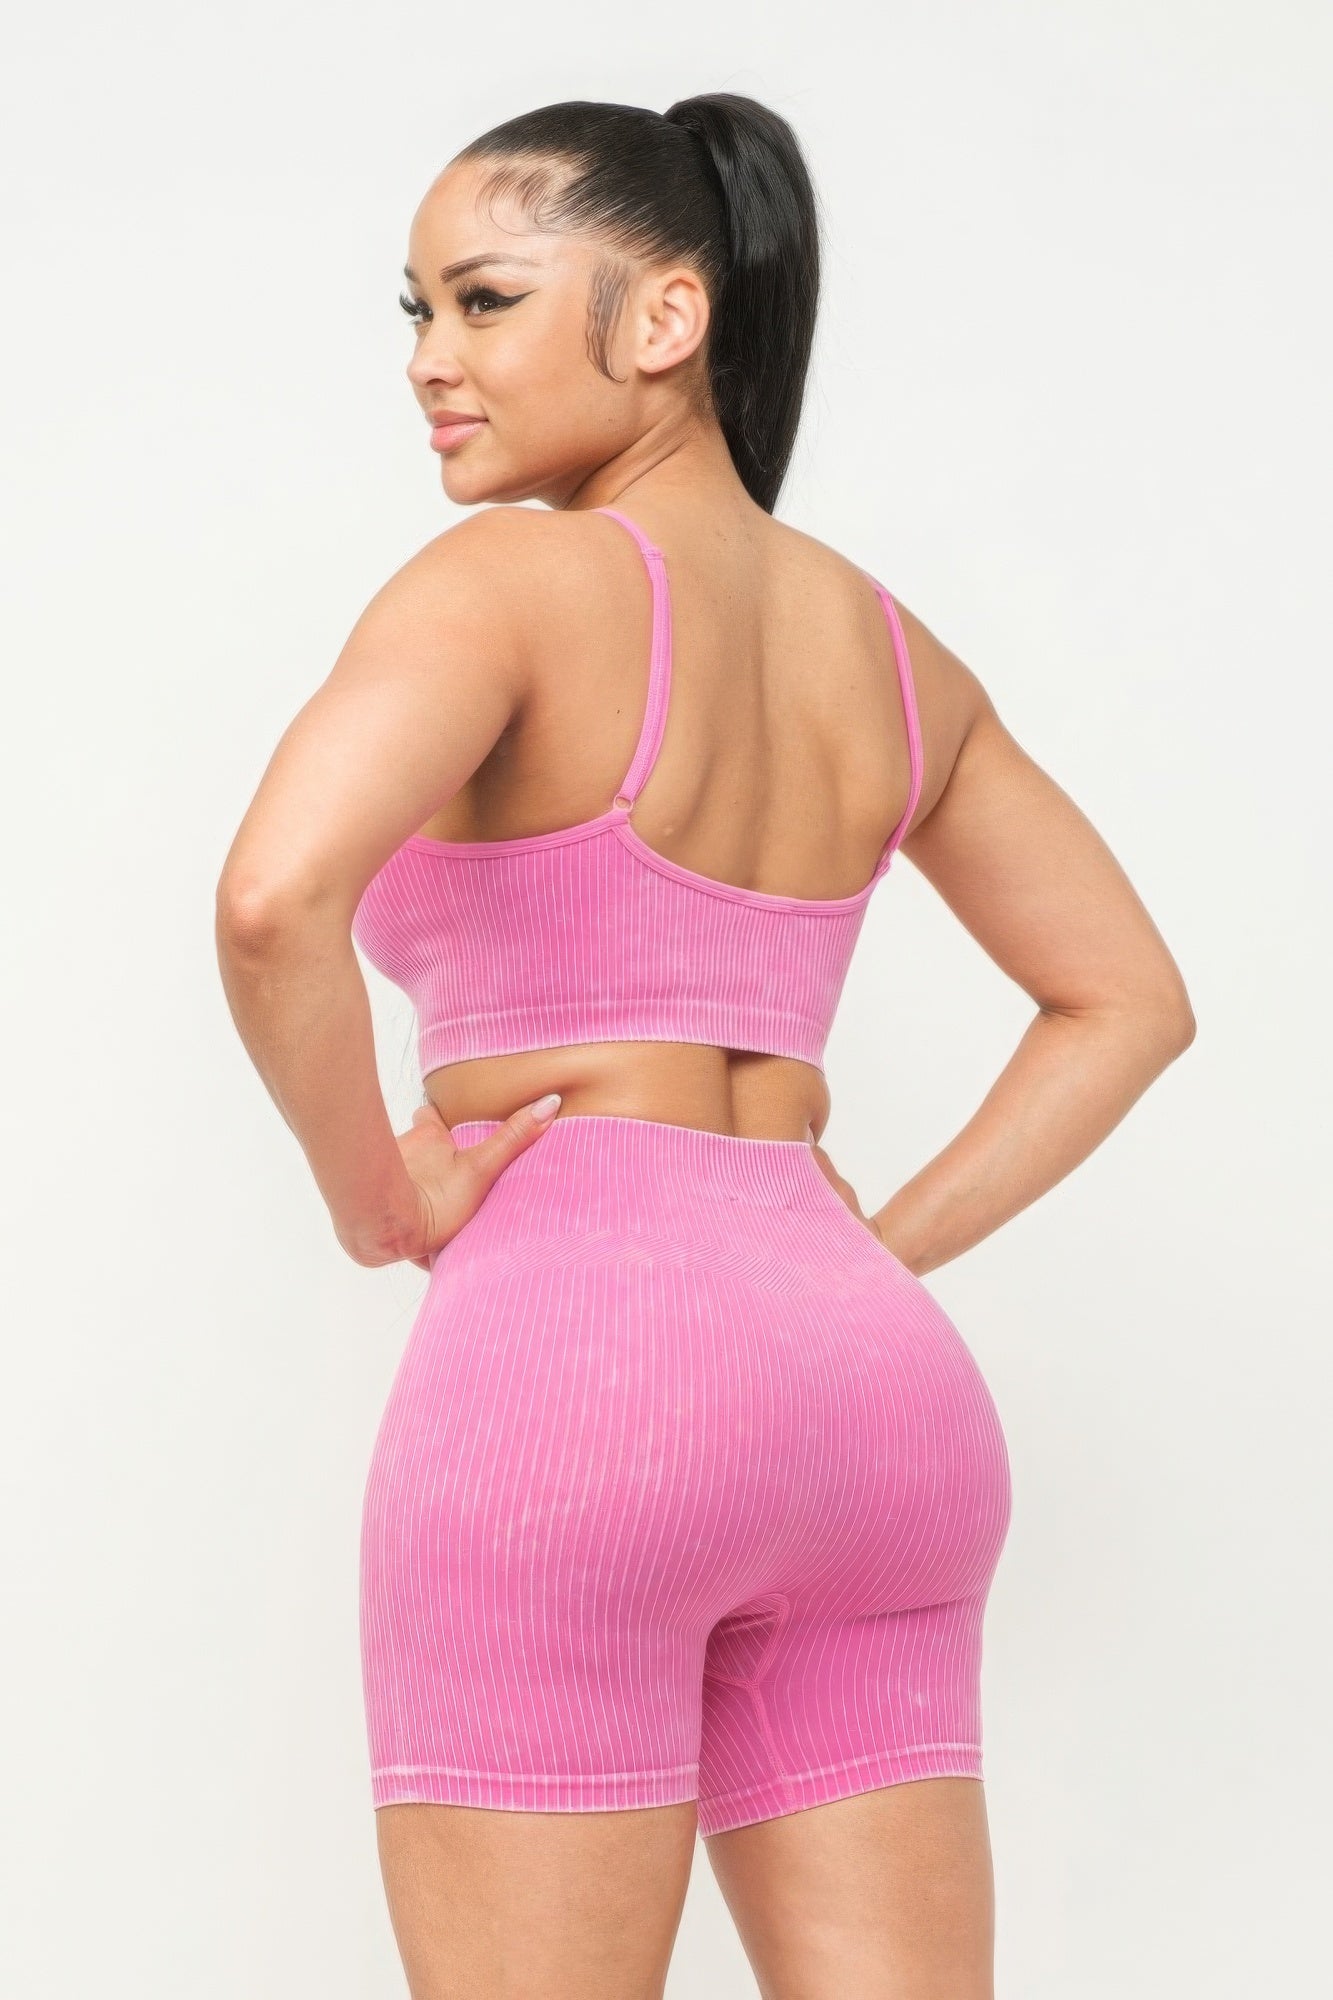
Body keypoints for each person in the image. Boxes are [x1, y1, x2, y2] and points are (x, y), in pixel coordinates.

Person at [215, 92, 1195, 2000]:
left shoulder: (505, 584)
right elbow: (1127, 1000)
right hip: (876, 1405)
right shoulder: (891, 649)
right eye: (414, 309)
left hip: (574, 1385)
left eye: (486, 300)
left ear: (666, 316)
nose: (430, 361)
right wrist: (863, 1257)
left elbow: (270, 903)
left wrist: (373, 1204)